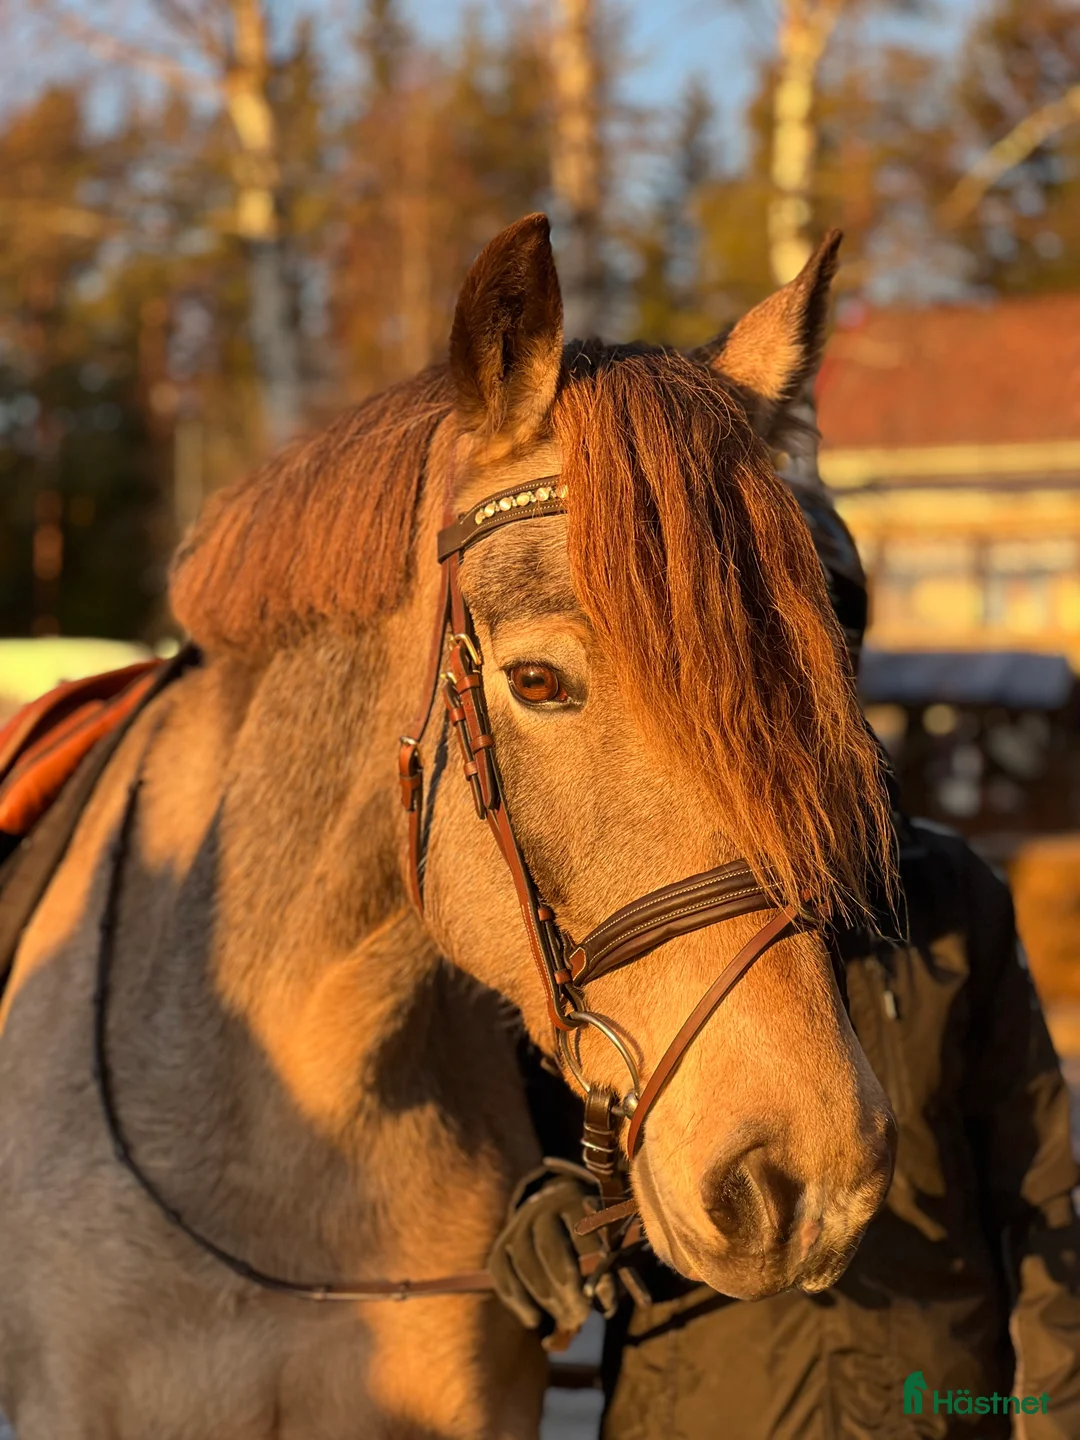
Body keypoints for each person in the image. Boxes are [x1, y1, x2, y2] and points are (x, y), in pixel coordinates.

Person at [489, 384, 1080, 1440]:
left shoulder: (944, 897)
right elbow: (533, 1122)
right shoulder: (605, 903)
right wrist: (546, 1203)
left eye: (810, 637)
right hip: (705, 1411)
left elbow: (1040, 1197)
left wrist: (1048, 1412)